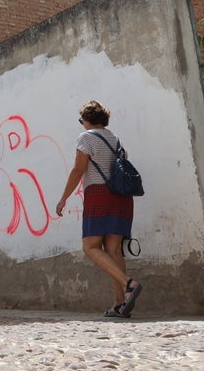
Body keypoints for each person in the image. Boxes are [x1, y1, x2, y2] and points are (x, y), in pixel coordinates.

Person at [55, 100, 143, 318]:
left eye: (82, 119)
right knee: (113, 250)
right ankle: (120, 304)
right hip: (121, 197)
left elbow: (78, 170)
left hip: (98, 195)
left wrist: (63, 198)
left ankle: (128, 284)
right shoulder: (115, 139)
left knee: (90, 247)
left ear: (87, 120)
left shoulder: (86, 137)